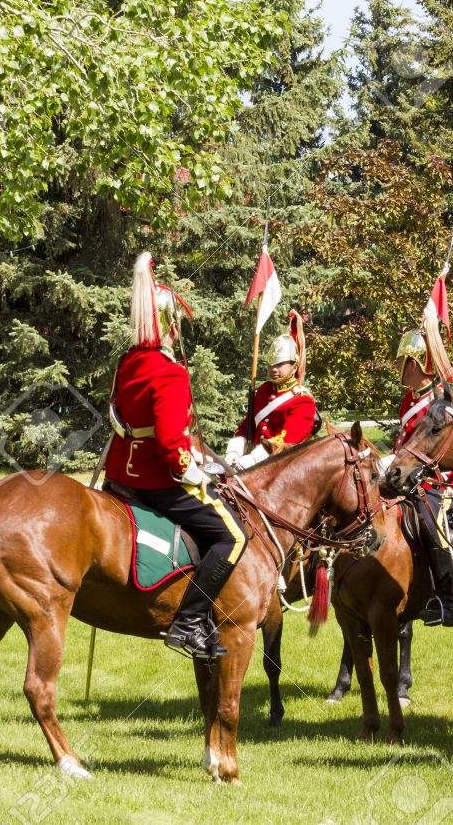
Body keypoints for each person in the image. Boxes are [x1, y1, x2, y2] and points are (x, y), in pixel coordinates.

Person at [104, 253, 248, 660]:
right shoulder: (169, 371)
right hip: (157, 481)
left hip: (122, 476)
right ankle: (188, 622)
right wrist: (193, 472)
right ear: (169, 323)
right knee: (231, 536)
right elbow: (170, 443)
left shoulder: (128, 362)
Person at [382, 301, 453, 628]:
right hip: (407, 473)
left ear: (416, 364)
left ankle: (446, 600)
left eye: (403, 361)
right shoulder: (409, 400)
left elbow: (445, 445)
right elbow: (404, 443)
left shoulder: (440, 397)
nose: (399, 366)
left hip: (437, 478)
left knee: (429, 518)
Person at [225, 313, 317, 470]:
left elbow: (288, 438)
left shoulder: (303, 400)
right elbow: (249, 424)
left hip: (282, 464)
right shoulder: (264, 390)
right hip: (253, 461)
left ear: (294, 366)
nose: (273, 369)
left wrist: (255, 458)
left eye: (279, 364)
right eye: (270, 364)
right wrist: (235, 448)